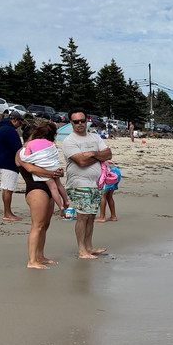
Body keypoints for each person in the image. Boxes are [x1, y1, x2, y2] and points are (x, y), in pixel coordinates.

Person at [61, 110, 112, 259]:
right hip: (78, 182)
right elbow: (81, 162)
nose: (80, 124)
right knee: (82, 216)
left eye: (82, 120)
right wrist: (98, 155)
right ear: (71, 123)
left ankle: (89, 246)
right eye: (76, 121)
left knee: (91, 216)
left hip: (96, 183)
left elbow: (108, 154)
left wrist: (92, 154)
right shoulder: (69, 141)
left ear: (86, 120)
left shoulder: (95, 137)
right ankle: (82, 250)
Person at [15, 122, 64, 269]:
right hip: (36, 190)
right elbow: (31, 169)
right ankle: (32, 260)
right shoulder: (21, 152)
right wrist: (52, 173)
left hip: (50, 189)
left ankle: (40, 255)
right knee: (37, 225)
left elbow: (52, 167)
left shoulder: (42, 150)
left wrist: (58, 172)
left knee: (45, 225)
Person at [19, 122, 69, 215]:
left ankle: (60, 206)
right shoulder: (51, 144)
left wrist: (34, 158)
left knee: (53, 187)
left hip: (43, 171)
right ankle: (66, 201)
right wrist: (55, 170)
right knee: (59, 185)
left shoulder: (30, 144)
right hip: (53, 167)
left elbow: (26, 158)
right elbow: (54, 156)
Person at [0, 111, 24, 221]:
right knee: (8, 188)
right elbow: (18, 149)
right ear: (14, 120)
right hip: (8, 163)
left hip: (0, 162)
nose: (20, 125)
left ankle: (7, 212)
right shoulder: (9, 130)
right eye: (20, 122)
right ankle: (7, 213)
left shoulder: (1, 128)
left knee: (6, 187)